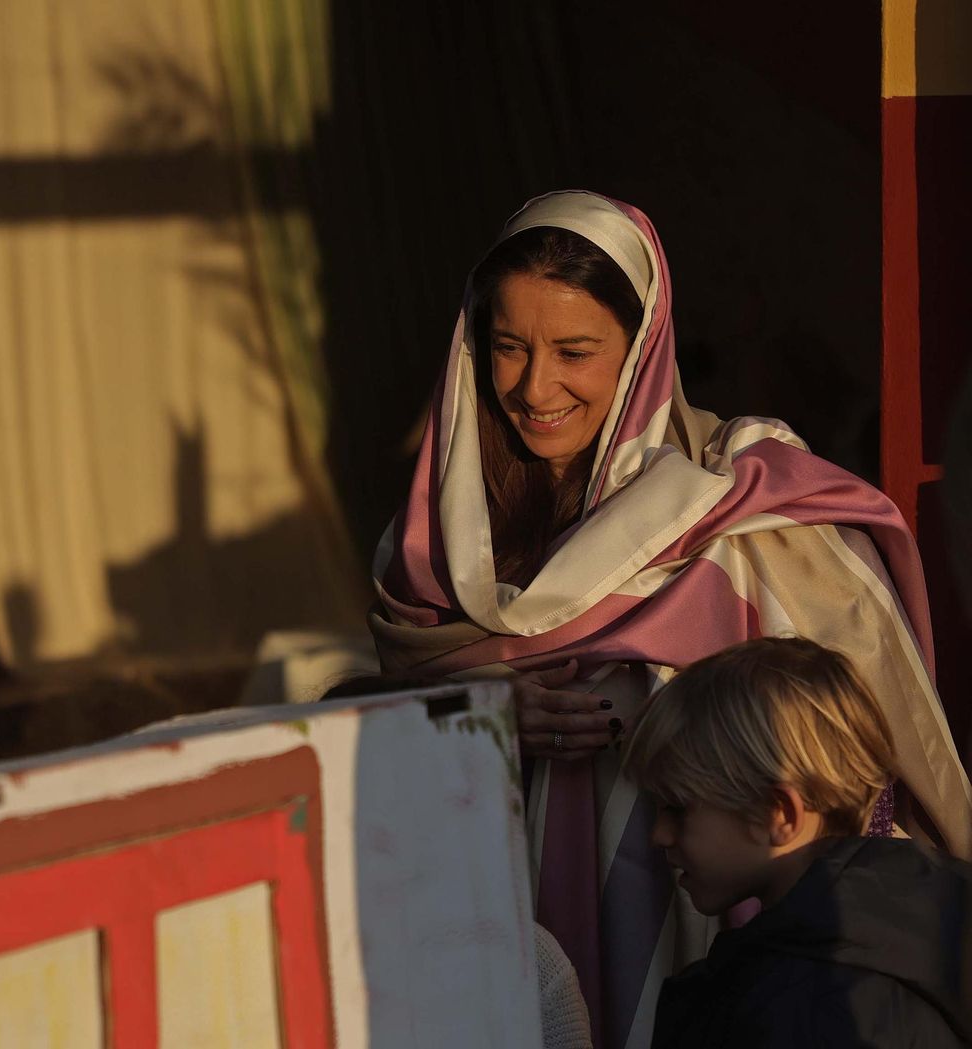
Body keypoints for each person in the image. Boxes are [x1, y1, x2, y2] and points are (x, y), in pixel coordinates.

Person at [368, 190, 972, 1048]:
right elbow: (363, 726)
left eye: (575, 351)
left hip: (720, 938)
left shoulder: (751, 514)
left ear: (644, 344)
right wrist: (472, 709)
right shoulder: (434, 542)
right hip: (498, 918)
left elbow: (847, 743)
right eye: (508, 347)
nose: (535, 387)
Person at [623, 637, 972, 1046]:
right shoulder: (925, 929)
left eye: (677, 808)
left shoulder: (807, 1007)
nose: (658, 835)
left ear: (779, 815)